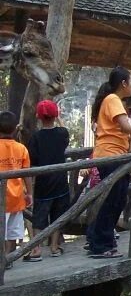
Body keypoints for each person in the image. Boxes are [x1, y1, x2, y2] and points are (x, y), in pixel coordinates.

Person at [86, 66, 131, 259]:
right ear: (123, 83)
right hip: (110, 155)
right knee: (112, 201)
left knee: (118, 199)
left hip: (114, 154)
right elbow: (125, 126)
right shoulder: (113, 99)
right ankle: (100, 244)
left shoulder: (110, 100)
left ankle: (102, 240)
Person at [27, 100, 70, 258]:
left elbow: (34, 160)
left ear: (39, 117)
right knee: (58, 215)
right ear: (55, 115)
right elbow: (64, 130)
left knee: (39, 217)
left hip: (43, 184)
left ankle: (36, 248)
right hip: (60, 182)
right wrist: (59, 120)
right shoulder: (62, 134)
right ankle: (54, 246)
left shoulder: (35, 138)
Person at [0, 111, 32, 268]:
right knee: (13, 232)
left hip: (1, 200)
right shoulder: (21, 149)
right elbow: (27, 175)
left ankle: (2, 260)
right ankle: (8, 259)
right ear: (14, 129)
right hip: (17, 198)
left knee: (2, 231)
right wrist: (30, 193)